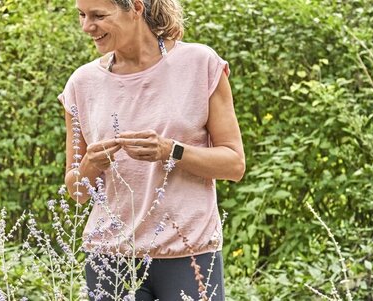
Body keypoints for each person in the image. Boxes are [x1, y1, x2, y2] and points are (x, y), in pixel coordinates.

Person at [59, 0, 245, 300]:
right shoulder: (82, 83)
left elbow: (234, 164)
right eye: (82, 15)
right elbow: (77, 192)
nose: (86, 27)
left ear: (135, 8)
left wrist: (171, 150)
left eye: (98, 15)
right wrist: (91, 165)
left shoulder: (200, 63)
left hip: (188, 252)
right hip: (109, 257)